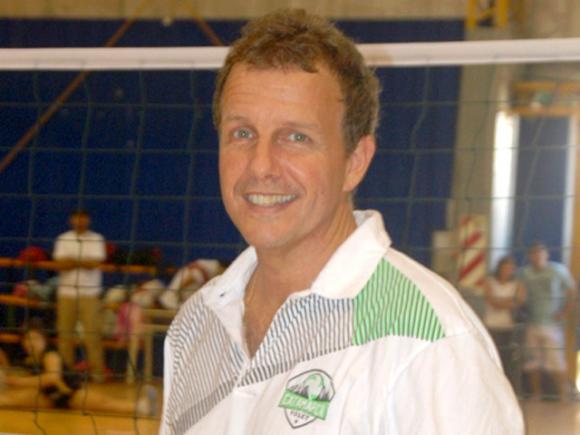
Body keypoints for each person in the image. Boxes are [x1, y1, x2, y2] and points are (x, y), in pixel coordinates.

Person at [161, 9, 524, 434]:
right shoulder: (196, 324)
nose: (260, 166)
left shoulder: (427, 342)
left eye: (296, 137)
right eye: (242, 133)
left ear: (355, 161)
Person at [0, 324, 157, 415]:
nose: (30, 343)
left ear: (44, 340)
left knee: (105, 403)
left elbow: (52, 378)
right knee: (14, 401)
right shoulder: (29, 359)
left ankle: (141, 407)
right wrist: (9, 376)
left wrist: (17, 381)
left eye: (35, 338)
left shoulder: (50, 355)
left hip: (70, 394)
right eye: (27, 339)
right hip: (48, 397)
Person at [53, 209, 106, 383]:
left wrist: (73, 261)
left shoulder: (97, 238)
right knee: (65, 335)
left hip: (89, 294)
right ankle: (66, 374)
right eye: (76, 218)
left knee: (92, 335)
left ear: (88, 220)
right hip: (66, 294)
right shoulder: (63, 238)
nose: (80, 221)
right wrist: (83, 261)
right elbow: (60, 264)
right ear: (71, 220)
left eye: (83, 218)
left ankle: (97, 374)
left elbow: (95, 263)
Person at [518, 242, 576, 400]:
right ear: (530, 256)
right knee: (532, 362)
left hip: (552, 324)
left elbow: (572, 291)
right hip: (532, 322)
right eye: (534, 254)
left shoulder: (558, 270)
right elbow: (520, 293)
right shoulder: (525, 273)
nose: (537, 257)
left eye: (540, 253)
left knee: (556, 361)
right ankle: (536, 394)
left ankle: (564, 394)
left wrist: (564, 313)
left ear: (546, 255)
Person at [483, 255, 526, 392]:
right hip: (492, 325)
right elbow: (491, 301)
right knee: (492, 356)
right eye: (505, 267)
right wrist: (508, 301)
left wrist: (500, 302)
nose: (508, 270)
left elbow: (519, 301)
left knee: (508, 359)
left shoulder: (517, 284)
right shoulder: (490, 282)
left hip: (509, 327)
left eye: (511, 268)